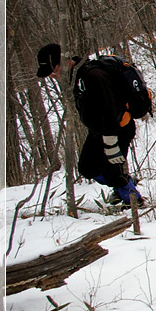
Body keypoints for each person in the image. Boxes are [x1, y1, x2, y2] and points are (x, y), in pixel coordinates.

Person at [36, 43, 147, 209]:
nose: (53, 77)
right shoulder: (78, 76)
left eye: (54, 71)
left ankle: (132, 200)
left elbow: (110, 109)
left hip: (118, 129)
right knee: (87, 167)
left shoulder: (93, 76)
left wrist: (110, 142)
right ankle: (122, 184)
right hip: (99, 131)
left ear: (65, 62)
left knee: (111, 170)